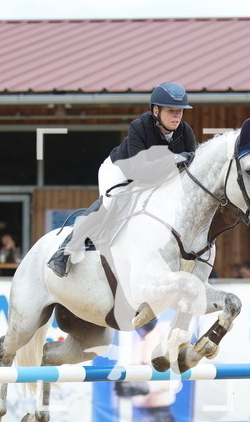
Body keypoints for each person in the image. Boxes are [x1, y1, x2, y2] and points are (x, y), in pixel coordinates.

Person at [48, 81, 197, 278]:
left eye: (180, 111)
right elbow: (138, 172)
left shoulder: (185, 131)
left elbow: (192, 167)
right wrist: (175, 159)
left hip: (157, 177)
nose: (177, 116)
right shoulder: (139, 127)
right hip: (121, 170)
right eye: (171, 111)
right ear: (155, 111)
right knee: (110, 202)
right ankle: (64, 251)